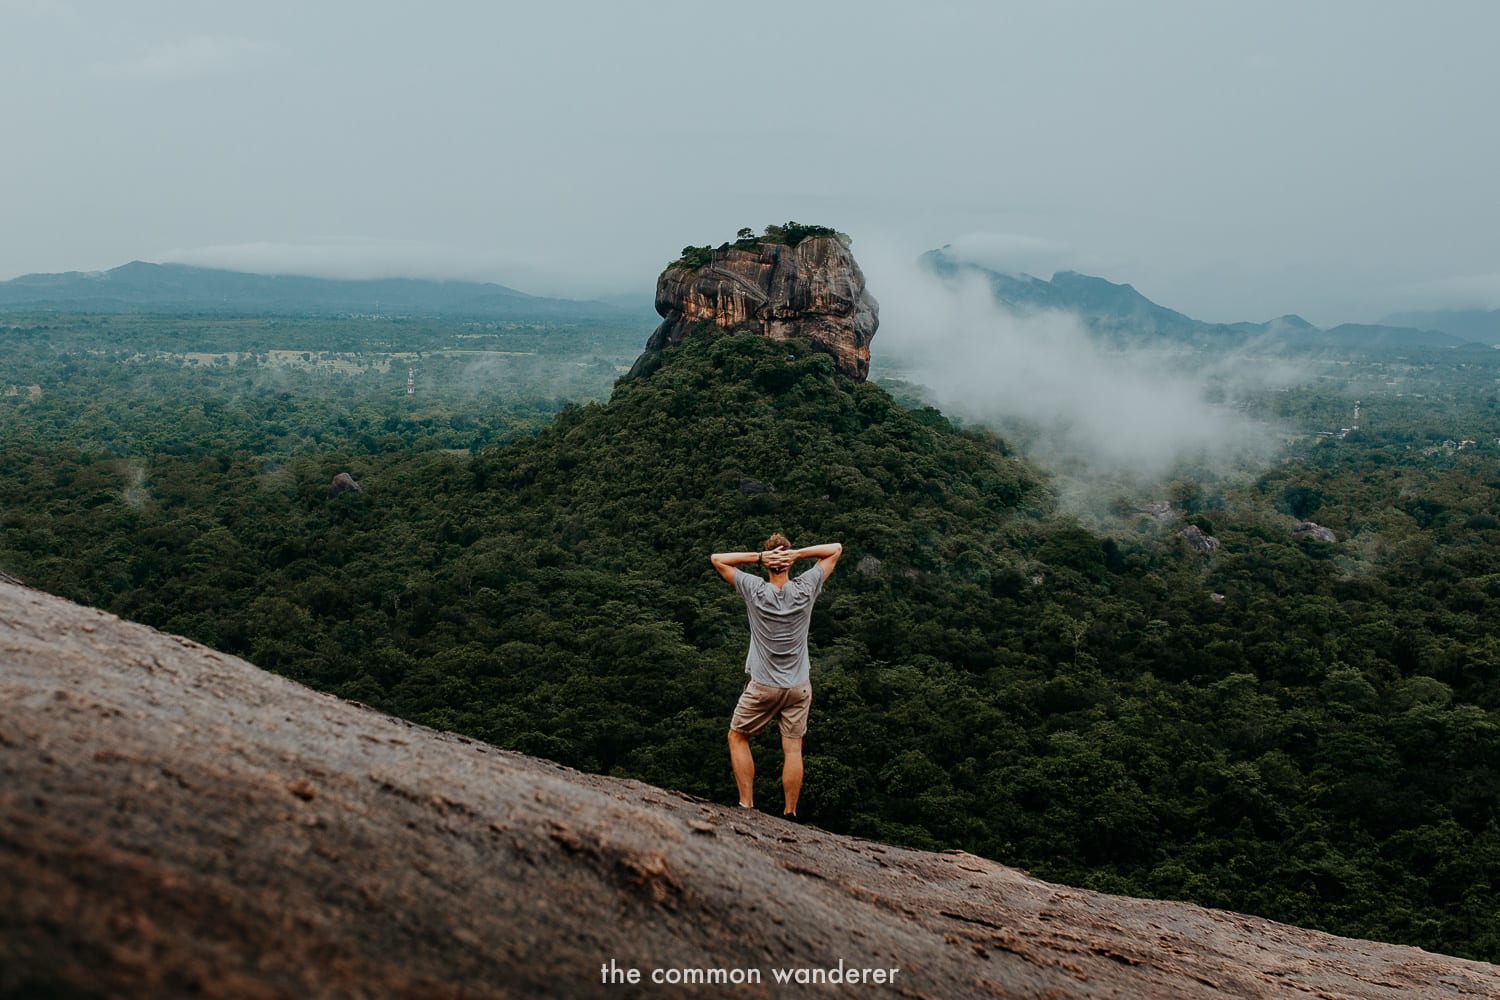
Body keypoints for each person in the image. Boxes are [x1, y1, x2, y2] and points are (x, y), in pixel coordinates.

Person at [710, 533, 842, 819]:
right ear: (788, 563)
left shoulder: (754, 589)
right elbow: (835, 549)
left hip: (763, 685)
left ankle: (746, 804)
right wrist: (797, 554)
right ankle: (790, 812)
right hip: (798, 687)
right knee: (793, 748)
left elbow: (717, 559)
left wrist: (758, 557)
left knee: (738, 736)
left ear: (769, 564)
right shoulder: (806, 588)